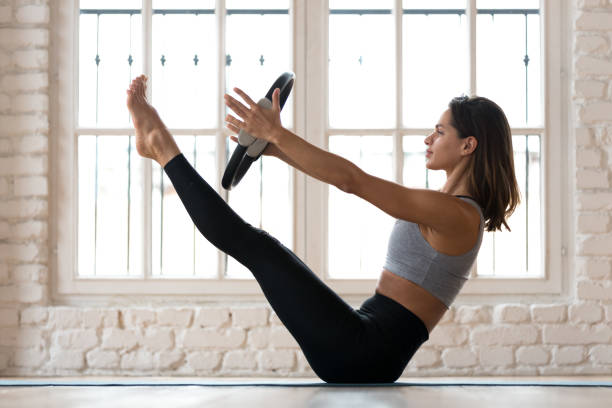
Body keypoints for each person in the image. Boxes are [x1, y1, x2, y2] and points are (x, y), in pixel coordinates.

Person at [126, 74, 520, 383]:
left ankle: (160, 145)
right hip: (363, 342)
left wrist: (277, 134)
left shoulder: (458, 215)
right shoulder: (449, 209)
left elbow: (352, 180)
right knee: (258, 247)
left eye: (440, 131)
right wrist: (277, 148)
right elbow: (347, 177)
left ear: (468, 146)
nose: (428, 139)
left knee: (256, 247)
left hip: (363, 353)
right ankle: (159, 145)